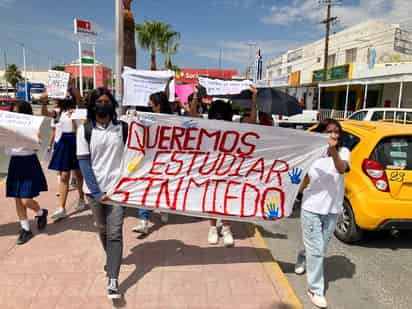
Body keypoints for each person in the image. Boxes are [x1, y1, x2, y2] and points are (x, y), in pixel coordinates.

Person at [190, 85, 258, 247]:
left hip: (230, 168)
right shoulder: (208, 123)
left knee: (227, 199)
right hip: (211, 167)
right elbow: (192, 114)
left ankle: (226, 228)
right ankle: (213, 228)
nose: (219, 118)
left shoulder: (235, 123)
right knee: (212, 199)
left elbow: (252, 120)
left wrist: (254, 99)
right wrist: (194, 96)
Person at [294, 118, 350, 309]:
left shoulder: (343, 152)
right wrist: (293, 191)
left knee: (319, 248)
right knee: (317, 251)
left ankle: (302, 256)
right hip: (311, 208)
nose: (334, 135)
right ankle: (315, 290)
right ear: (321, 133)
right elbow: (304, 183)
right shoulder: (311, 155)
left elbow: (341, 169)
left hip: (332, 210)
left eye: (336, 131)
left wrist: (332, 150)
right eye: (329, 131)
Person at [77, 87, 126, 299]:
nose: (103, 105)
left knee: (115, 232)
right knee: (103, 229)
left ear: (112, 105)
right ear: (93, 105)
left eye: (107, 101)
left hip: (117, 191)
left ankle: (113, 278)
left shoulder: (123, 128)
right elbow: (84, 162)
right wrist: (97, 193)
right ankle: (110, 259)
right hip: (94, 192)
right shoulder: (85, 130)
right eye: (99, 101)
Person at [5, 101, 48, 245]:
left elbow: (39, 145)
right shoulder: (7, 128)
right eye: (14, 113)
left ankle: (41, 212)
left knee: (25, 199)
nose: (16, 115)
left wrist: (36, 138)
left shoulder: (32, 127)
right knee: (17, 198)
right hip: (15, 162)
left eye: (19, 113)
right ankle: (25, 228)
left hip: (29, 162)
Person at [41, 95, 86, 221]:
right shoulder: (57, 112)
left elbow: (80, 128)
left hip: (75, 142)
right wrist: (44, 102)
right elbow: (45, 113)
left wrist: (74, 117)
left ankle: (81, 198)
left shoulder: (77, 111)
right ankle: (61, 207)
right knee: (64, 175)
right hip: (62, 144)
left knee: (78, 174)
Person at [132, 91, 171, 235]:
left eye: (150, 102)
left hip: (166, 160)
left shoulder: (172, 119)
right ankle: (144, 221)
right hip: (150, 159)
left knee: (161, 187)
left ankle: (162, 207)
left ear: (157, 105)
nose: (148, 105)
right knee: (145, 187)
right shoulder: (149, 118)